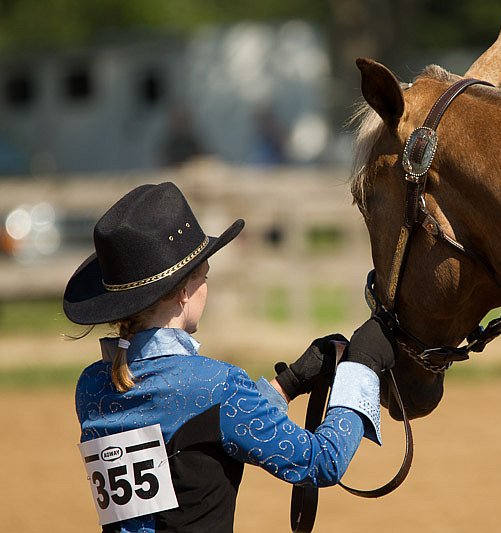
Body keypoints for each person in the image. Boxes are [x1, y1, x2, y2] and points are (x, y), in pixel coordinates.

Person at [63, 182, 394, 532]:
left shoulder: (91, 387)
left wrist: (289, 383)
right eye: (204, 278)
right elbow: (320, 462)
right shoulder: (217, 387)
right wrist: (363, 366)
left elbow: (201, 435)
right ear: (183, 293)